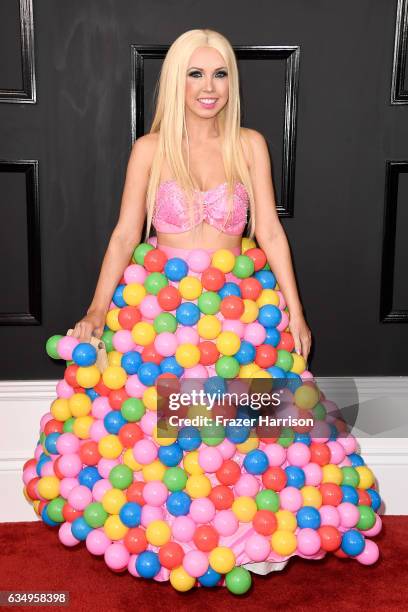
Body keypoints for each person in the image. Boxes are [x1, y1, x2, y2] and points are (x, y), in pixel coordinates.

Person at [24, 29, 381, 594]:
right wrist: (95, 312)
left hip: (238, 308)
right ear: (176, 81)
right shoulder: (150, 149)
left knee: (247, 433)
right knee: (164, 440)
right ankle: (174, 542)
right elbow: (123, 236)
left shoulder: (250, 145)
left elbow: (268, 231)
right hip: (162, 313)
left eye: (219, 74)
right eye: (196, 73)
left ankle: (248, 536)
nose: (208, 87)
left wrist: (296, 310)